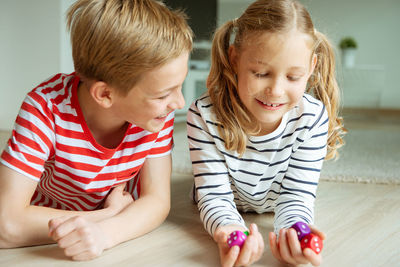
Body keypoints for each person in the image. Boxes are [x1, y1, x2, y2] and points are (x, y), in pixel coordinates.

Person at [0, 0, 192, 261]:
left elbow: (157, 201)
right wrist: (106, 216)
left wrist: (106, 233)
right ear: (105, 94)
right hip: (48, 217)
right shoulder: (45, 108)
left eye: (179, 87)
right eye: (163, 95)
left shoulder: (155, 114)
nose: (179, 103)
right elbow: (7, 224)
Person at [186, 0, 346, 266]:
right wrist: (228, 231)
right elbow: (215, 196)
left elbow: (296, 196)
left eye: (293, 77)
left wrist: (293, 232)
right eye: (261, 73)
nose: (276, 90)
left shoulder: (312, 117)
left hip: (277, 201)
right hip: (221, 198)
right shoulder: (203, 115)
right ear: (234, 58)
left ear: (312, 67)